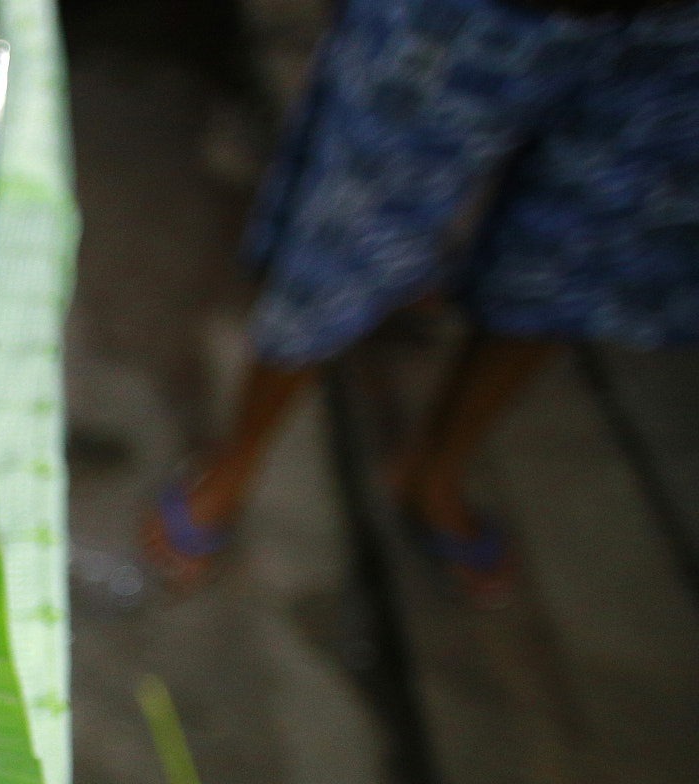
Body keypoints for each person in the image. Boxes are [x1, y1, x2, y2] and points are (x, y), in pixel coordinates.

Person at [143, 0, 699, 604]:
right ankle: (234, 461)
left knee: (569, 266)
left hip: (671, 35)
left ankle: (436, 472)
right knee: (346, 228)